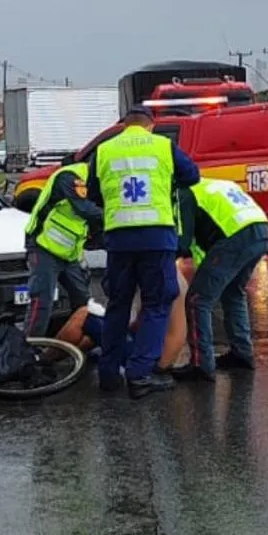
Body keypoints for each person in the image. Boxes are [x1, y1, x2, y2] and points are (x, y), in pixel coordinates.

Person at [87, 105, 200, 399]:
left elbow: (94, 193)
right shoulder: (163, 146)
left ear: (124, 125)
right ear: (151, 125)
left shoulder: (104, 150)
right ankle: (139, 375)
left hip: (119, 239)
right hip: (156, 237)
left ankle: (109, 375)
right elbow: (192, 176)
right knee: (156, 304)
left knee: (118, 304)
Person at [173, 177, 268, 381]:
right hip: (261, 230)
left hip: (235, 236)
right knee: (233, 292)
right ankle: (242, 354)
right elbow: (202, 250)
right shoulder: (211, 185)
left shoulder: (183, 194)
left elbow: (183, 242)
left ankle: (201, 365)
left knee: (197, 299)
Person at [54, 265, 191, 370]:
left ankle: (42, 359)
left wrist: (159, 370)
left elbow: (137, 324)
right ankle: (74, 353)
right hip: (167, 356)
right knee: (97, 329)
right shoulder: (170, 274)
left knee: (83, 316)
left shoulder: (156, 280)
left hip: (152, 361)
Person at [23, 161, 103, 337]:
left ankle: (84, 340)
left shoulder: (98, 183)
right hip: (43, 245)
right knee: (42, 300)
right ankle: (29, 348)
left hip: (68, 253)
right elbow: (86, 209)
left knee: (83, 299)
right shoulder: (71, 176)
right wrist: (115, 215)